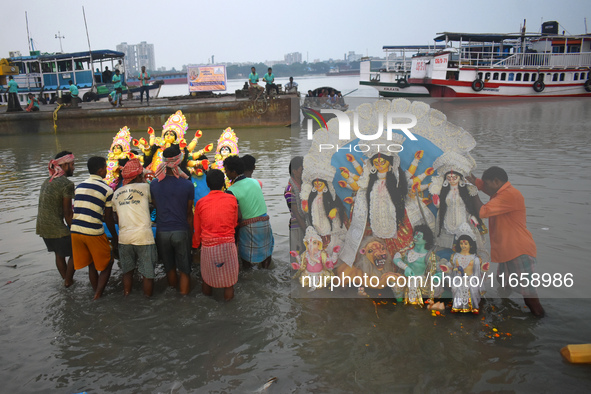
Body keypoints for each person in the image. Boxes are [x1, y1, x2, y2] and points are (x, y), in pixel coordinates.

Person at [468, 166, 545, 317]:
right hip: (507, 251)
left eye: (487, 184)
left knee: (529, 295)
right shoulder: (500, 192)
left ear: (496, 181)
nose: (485, 187)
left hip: (519, 250)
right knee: (504, 285)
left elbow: (482, 211)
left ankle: (542, 319)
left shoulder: (510, 195)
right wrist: (472, 180)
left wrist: (473, 192)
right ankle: (506, 309)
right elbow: (484, 186)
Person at [70, 156, 118, 300]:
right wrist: (115, 237)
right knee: (108, 261)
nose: (107, 170)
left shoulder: (79, 186)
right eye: (105, 168)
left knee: (91, 263)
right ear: (100, 170)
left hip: (75, 230)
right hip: (92, 231)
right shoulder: (107, 190)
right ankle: (98, 295)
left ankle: (95, 290)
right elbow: (108, 218)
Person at [150, 145, 195, 295]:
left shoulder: (154, 184)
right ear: (179, 161)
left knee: (169, 268)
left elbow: (156, 206)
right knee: (184, 270)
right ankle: (184, 303)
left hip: (162, 232)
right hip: (181, 231)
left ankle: (173, 295)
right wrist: (192, 236)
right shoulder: (188, 185)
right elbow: (189, 213)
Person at [112, 159, 157, 297]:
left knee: (127, 272)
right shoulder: (146, 188)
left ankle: (127, 295)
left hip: (124, 237)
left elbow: (115, 217)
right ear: (138, 176)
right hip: (144, 237)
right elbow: (155, 205)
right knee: (147, 274)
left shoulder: (116, 193)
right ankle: (147, 300)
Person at [193, 169, 239, 301]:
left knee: (207, 280)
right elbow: (235, 222)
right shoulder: (232, 199)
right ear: (223, 183)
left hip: (208, 245)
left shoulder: (201, 203)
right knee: (229, 284)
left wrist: (195, 245)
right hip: (228, 244)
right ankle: (229, 309)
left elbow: (197, 228)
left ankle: (207, 305)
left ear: (207, 184)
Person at [224, 155, 274, 269]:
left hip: (249, 228)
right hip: (265, 224)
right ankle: (266, 272)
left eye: (226, 170)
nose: (226, 173)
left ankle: (248, 276)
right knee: (266, 253)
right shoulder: (255, 182)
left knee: (246, 259)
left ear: (233, 172)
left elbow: (238, 215)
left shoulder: (231, 191)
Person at [36, 151, 76, 287]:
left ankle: (67, 281)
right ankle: (68, 281)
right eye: (72, 164)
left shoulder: (46, 181)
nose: (74, 167)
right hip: (56, 228)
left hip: (42, 227)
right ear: (64, 165)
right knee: (77, 251)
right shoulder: (66, 184)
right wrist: (75, 231)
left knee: (59, 254)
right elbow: (67, 213)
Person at [284, 156, 306, 254]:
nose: (304, 172)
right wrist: (306, 230)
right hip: (297, 226)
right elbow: (296, 213)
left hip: (305, 224)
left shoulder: (304, 186)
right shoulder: (289, 189)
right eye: (302, 169)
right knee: (297, 258)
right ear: (294, 171)